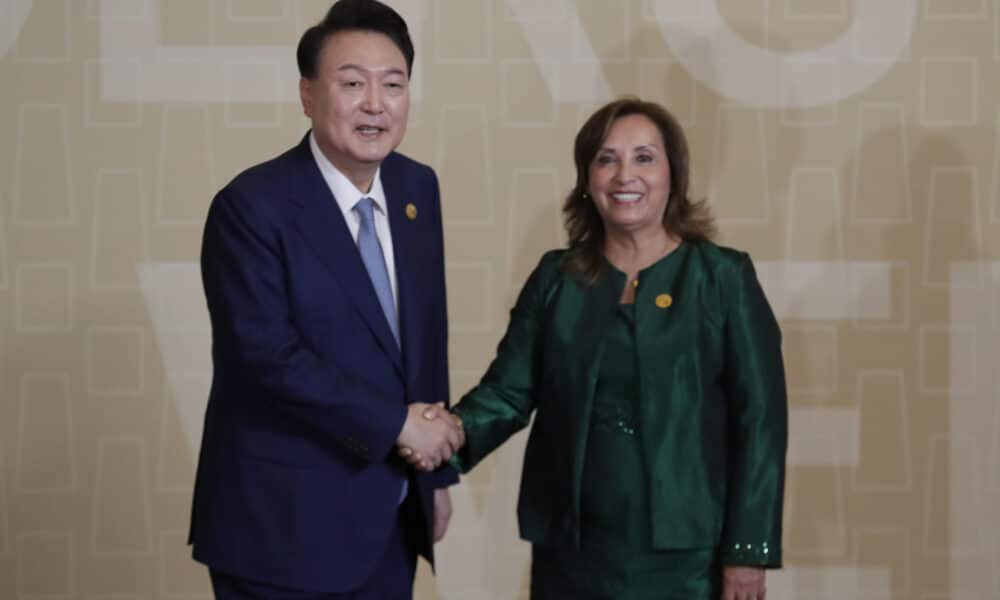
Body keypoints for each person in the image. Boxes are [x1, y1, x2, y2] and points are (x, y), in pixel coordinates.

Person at [409, 97, 787, 599]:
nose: (624, 175)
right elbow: (508, 392)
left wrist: (747, 551)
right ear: (587, 180)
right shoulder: (555, 278)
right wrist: (450, 434)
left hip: (687, 555)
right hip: (572, 549)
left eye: (644, 158)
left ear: (674, 174)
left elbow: (760, 422)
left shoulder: (723, 278)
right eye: (606, 159)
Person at [188, 1, 464, 597]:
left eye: (393, 85)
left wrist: (434, 479)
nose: (375, 103)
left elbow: (424, 337)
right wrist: (398, 425)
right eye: (352, 83)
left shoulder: (418, 187)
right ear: (308, 94)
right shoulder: (251, 207)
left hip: (389, 520)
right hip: (280, 530)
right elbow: (266, 358)